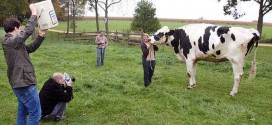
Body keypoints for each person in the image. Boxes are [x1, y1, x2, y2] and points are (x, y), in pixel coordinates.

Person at [2, 4, 47, 125]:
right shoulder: (10, 41)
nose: (21, 29)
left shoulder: (14, 43)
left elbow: (30, 48)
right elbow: (28, 31)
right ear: (16, 28)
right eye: (20, 27)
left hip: (19, 83)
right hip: (24, 83)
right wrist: (34, 13)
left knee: (23, 111)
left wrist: (41, 36)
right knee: (35, 114)